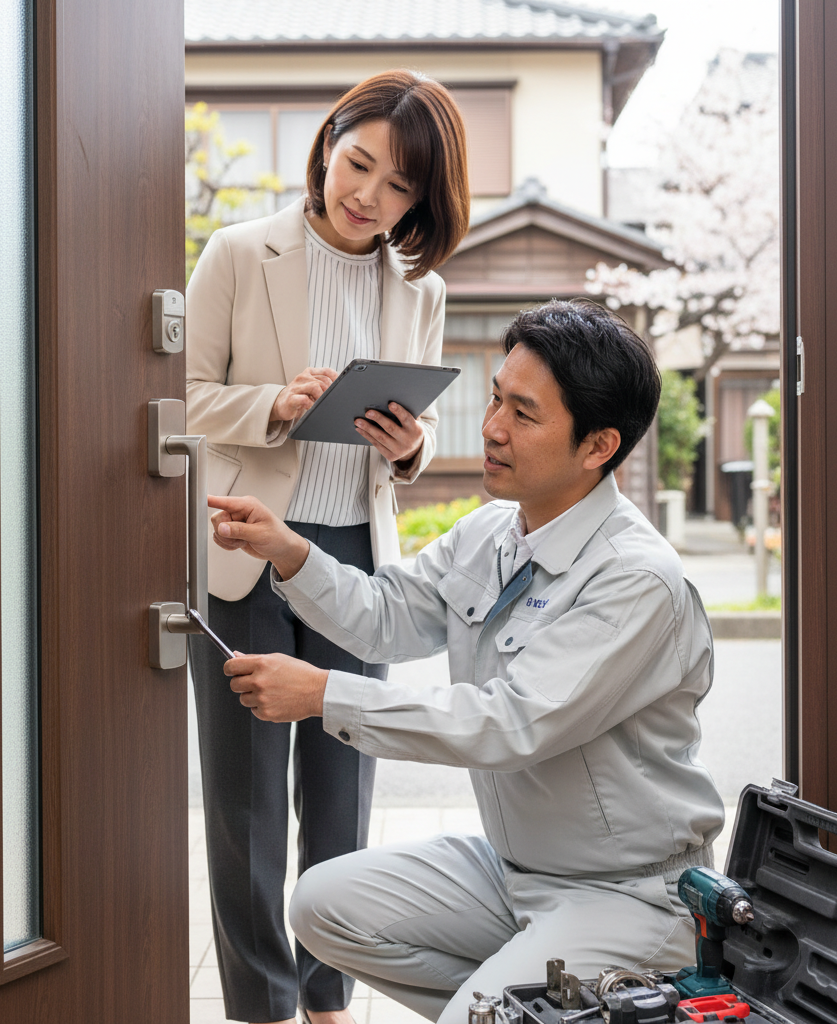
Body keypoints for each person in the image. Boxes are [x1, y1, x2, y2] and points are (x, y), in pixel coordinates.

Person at [207, 299, 725, 1024]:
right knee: (321, 905)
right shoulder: (493, 532)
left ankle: (529, 1004)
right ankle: (525, 1004)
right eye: (493, 398)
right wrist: (287, 550)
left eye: (523, 412)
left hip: (626, 893)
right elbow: (386, 615)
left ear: (598, 445)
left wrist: (325, 695)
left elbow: (507, 724)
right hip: (511, 873)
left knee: (480, 1015)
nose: (490, 428)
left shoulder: (636, 580)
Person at [184, 70, 470, 1024]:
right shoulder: (237, 251)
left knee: (343, 793)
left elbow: (412, 444)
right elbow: (176, 402)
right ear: (329, 140)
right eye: (359, 164)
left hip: (355, 558)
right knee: (249, 807)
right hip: (244, 550)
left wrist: (410, 445)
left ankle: (328, 998)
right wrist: (276, 406)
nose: (368, 197)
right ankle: (262, 1008)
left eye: (399, 189)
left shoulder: (418, 289)